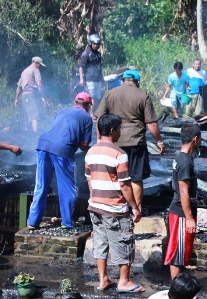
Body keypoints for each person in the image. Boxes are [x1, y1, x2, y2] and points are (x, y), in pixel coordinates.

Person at [85, 113, 144, 294]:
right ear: (112, 130)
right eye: (119, 129)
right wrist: (135, 207)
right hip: (114, 208)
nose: (120, 133)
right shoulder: (119, 154)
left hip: (95, 206)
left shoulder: (90, 152)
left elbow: (89, 179)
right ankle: (124, 281)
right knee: (124, 241)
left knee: (100, 242)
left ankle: (103, 279)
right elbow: (125, 185)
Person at [95, 69, 165, 212]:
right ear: (137, 82)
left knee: (115, 176)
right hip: (136, 142)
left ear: (122, 80)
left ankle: (115, 206)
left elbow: (99, 119)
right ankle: (137, 209)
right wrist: (159, 141)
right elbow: (152, 123)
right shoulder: (143, 95)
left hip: (113, 143)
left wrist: (99, 140)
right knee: (136, 177)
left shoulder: (110, 94)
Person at [27, 92, 93, 229]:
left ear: (75, 102)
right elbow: (84, 145)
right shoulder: (87, 118)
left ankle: (33, 222)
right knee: (67, 188)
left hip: (43, 145)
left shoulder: (62, 110)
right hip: (63, 150)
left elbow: (58, 130)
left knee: (41, 185)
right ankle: (67, 222)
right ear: (87, 105)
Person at [164, 124, 201, 280]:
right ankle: (175, 289)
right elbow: (183, 191)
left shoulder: (180, 157)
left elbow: (175, 185)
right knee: (177, 254)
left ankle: (178, 287)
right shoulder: (185, 162)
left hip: (180, 210)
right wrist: (189, 218)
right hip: (181, 213)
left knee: (181, 251)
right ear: (195, 139)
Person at [15, 56, 46, 132]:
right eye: (40, 65)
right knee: (34, 115)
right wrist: (43, 97)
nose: (40, 67)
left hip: (24, 96)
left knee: (27, 118)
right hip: (30, 94)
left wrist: (16, 99)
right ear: (36, 63)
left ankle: (26, 138)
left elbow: (18, 87)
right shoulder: (35, 69)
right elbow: (39, 84)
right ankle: (35, 134)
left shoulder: (24, 71)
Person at [79, 33, 104, 116]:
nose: (96, 46)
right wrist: (81, 79)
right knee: (91, 96)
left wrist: (102, 78)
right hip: (90, 79)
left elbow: (99, 67)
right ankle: (91, 113)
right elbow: (81, 67)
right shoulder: (86, 54)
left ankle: (94, 112)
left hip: (98, 79)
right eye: (94, 44)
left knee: (97, 97)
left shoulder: (98, 54)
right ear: (90, 43)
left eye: (98, 44)